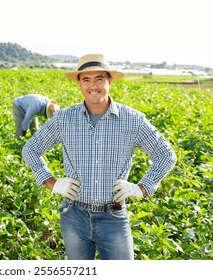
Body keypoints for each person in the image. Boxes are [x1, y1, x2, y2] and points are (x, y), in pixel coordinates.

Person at [22, 54, 177, 260]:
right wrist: (51, 182)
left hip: (113, 217)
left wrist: (141, 188)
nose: (92, 86)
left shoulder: (132, 120)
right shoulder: (64, 119)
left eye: (99, 79)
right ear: (79, 83)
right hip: (73, 216)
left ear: (109, 80)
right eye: (86, 79)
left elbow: (166, 154)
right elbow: (30, 149)